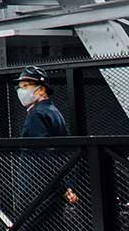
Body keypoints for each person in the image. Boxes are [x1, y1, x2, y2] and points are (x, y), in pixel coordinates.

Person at [15, 66, 80, 214]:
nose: (21, 91)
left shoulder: (36, 115)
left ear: (41, 89)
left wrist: (62, 187)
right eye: (20, 87)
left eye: (26, 86)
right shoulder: (53, 112)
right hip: (52, 190)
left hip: (36, 191)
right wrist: (66, 186)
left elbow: (41, 155)